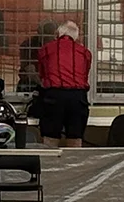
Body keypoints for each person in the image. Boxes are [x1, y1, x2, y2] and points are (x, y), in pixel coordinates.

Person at [36, 20, 93, 148]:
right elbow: (84, 74)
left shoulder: (46, 49)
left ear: (57, 33)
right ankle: (74, 166)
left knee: (50, 137)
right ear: (76, 36)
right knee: (75, 138)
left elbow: (43, 76)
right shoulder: (85, 52)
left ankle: (48, 166)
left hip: (54, 95)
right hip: (78, 97)